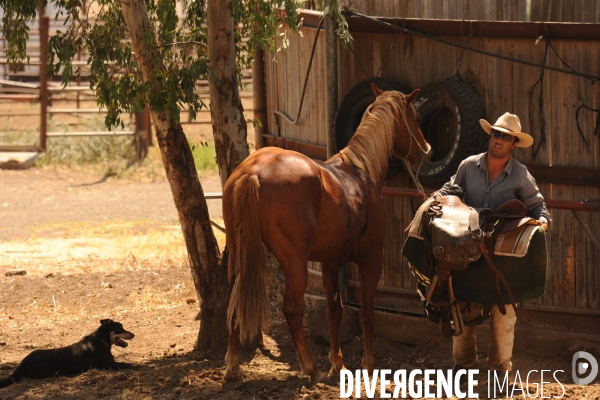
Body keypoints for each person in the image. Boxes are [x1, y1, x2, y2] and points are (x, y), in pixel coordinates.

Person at [435, 112, 550, 373]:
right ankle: (464, 365)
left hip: (502, 255)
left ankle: (500, 369)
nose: (498, 140)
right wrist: (435, 200)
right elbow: (448, 190)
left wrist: (541, 225)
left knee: (504, 313)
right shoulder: (467, 166)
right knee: (461, 303)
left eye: (505, 137)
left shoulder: (520, 175)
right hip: (467, 248)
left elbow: (539, 208)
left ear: (514, 144)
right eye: (496, 134)